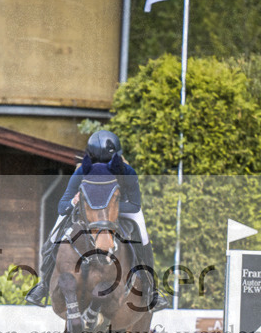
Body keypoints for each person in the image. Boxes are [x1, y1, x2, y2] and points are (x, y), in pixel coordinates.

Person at [25, 130, 169, 311]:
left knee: (143, 237)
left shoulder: (127, 173)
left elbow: (134, 205)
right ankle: (44, 284)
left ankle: (150, 289)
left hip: (120, 209)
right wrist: (75, 202)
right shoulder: (81, 172)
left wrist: (108, 209)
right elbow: (62, 206)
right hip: (89, 212)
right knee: (54, 236)